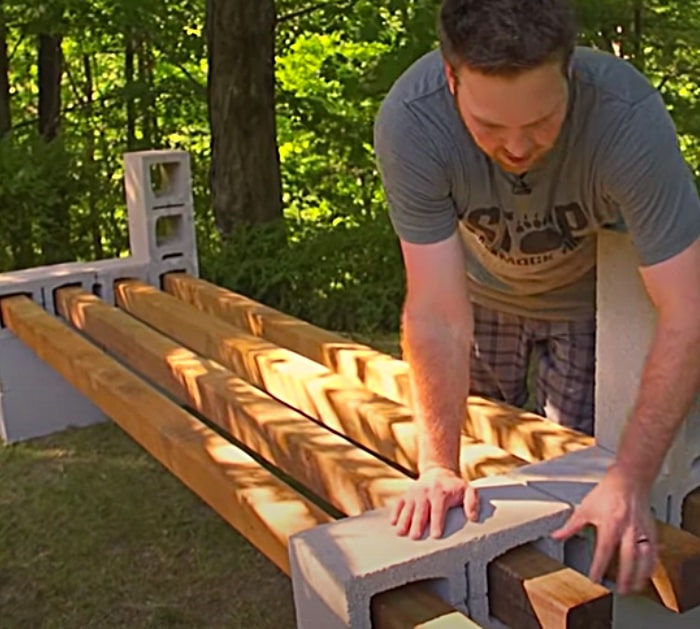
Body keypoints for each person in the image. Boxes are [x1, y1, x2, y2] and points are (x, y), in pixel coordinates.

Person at [373, 0, 700, 596]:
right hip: (477, 295)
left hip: (583, 306)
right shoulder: (411, 120)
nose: (519, 147)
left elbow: (688, 309)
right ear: (451, 78)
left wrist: (628, 478)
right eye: (491, 127)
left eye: (543, 121)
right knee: (478, 478)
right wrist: (438, 468)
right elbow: (437, 313)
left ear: (570, 71)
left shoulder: (627, 119)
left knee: (576, 494)